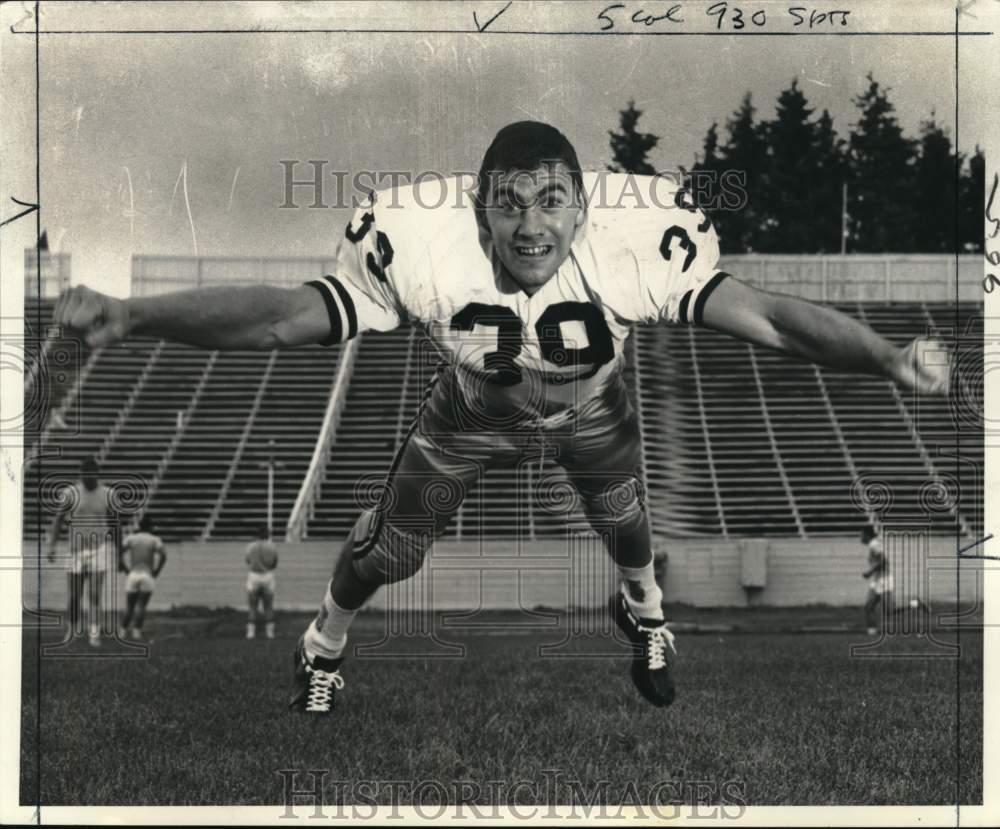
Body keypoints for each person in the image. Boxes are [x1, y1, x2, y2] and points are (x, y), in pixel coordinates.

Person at [54, 121, 949, 714]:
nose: (530, 226)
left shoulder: (638, 240)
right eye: (509, 203)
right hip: (471, 412)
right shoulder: (419, 239)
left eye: (551, 200)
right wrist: (135, 315)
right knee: (390, 552)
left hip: (590, 405)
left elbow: (769, 319)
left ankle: (644, 613)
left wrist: (885, 356)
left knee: (626, 519)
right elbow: (285, 318)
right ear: (479, 209)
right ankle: (323, 643)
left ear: (584, 208)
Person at [48, 457, 116, 647]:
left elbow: (115, 524)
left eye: (91, 475)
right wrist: (52, 545)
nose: (87, 479)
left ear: (97, 474)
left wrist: (117, 550)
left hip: (99, 549)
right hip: (75, 550)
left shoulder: (107, 494)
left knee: (94, 593)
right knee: (74, 595)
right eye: (84, 475)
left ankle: (94, 633)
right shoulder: (70, 493)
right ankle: (71, 631)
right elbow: (58, 520)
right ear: (80, 474)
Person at [119, 513, 168, 640]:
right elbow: (164, 555)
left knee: (129, 606)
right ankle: (137, 632)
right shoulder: (154, 539)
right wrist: (157, 570)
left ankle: (123, 631)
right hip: (147, 574)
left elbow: (119, 552)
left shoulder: (131, 538)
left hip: (133, 574)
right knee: (141, 606)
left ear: (139, 526)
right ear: (150, 526)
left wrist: (125, 568)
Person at [245, 524, 279, 640]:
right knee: (268, 606)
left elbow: (248, 561)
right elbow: (274, 563)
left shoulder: (250, 547)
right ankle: (270, 633)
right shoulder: (272, 547)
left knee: (252, 606)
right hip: (267, 576)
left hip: (254, 576)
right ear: (266, 534)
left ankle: (251, 633)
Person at [861, 526, 892, 635]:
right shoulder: (873, 545)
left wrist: (869, 572)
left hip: (883, 579)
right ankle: (872, 632)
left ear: (867, 535)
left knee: (889, 610)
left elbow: (883, 561)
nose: (861, 538)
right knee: (869, 607)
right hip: (877, 579)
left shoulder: (874, 544)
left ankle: (914, 604)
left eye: (862, 535)